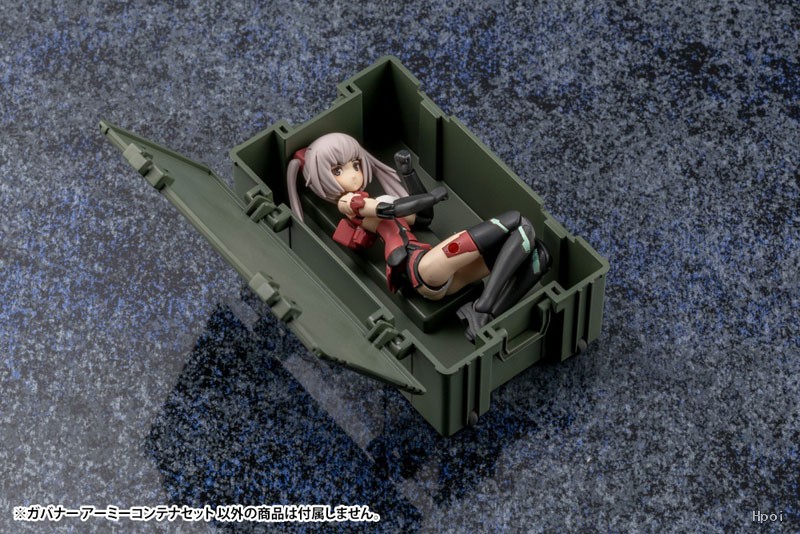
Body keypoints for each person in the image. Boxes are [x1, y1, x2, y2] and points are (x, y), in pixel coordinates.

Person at [286, 133, 549, 341]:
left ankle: (484, 314)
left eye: (355, 164)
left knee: (538, 254)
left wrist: (409, 175)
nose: (354, 173)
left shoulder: (376, 199)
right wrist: (431, 196)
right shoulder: (349, 204)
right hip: (420, 267)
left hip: (439, 275)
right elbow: (392, 210)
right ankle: (482, 309)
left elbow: (423, 217)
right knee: (518, 222)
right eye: (338, 170)